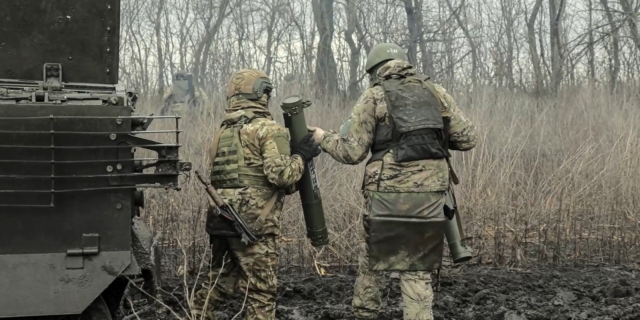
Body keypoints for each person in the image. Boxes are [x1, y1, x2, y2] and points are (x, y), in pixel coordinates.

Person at [308, 43, 477, 320]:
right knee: (417, 269)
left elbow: (352, 152)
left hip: (385, 193)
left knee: (373, 260)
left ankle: (365, 314)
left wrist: (321, 137)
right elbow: (468, 139)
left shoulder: (373, 96)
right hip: (430, 194)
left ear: (375, 72)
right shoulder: (436, 93)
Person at [191, 68, 321, 320]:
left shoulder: (223, 132)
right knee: (261, 291)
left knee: (220, 281)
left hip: (221, 218)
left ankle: (195, 315)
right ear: (263, 94)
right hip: (254, 224)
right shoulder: (268, 129)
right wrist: (301, 156)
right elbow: (282, 177)